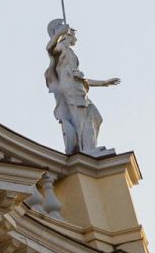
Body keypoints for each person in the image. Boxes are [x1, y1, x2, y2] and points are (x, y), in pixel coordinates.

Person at [45, 18, 119, 155]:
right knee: (80, 118)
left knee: (94, 115)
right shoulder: (61, 47)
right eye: (74, 35)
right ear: (68, 35)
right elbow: (50, 48)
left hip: (77, 87)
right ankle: (86, 150)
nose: (76, 40)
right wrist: (58, 34)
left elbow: (80, 79)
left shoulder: (68, 51)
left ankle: (88, 147)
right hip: (70, 88)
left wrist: (104, 83)